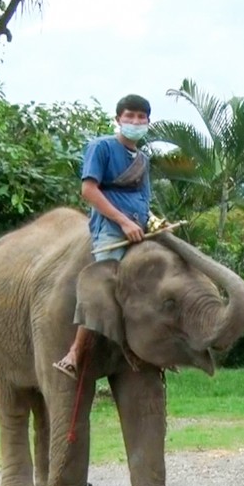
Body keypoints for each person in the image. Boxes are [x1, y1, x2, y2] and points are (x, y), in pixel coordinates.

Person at [53, 94, 154, 379]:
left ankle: (153, 349)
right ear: (118, 119)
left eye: (141, 117)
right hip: (112, 229)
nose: (135, 121)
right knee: (103, 284)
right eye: (129, 116)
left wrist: (153, 222)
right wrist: (122, 222)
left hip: (140, 230)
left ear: (148, 122)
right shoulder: (101, 147)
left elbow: (145, 199)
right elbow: (89, 190)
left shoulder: (143, 160)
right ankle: (74, 352)